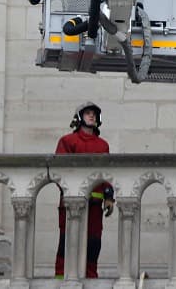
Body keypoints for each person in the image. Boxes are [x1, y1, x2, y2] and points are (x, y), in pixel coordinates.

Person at [54, 102, 114, 279]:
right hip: (71, 203)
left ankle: (90, 278)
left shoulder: (103, 145)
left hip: (95, 205)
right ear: (79, 117)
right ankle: (60, 277)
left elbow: (108, 174)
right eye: (88, 113)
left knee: (93, 243)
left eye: (94, 114)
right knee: (67, 241)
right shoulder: (67, 141)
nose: (92, 116)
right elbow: (60, 172)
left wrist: (109, 197)